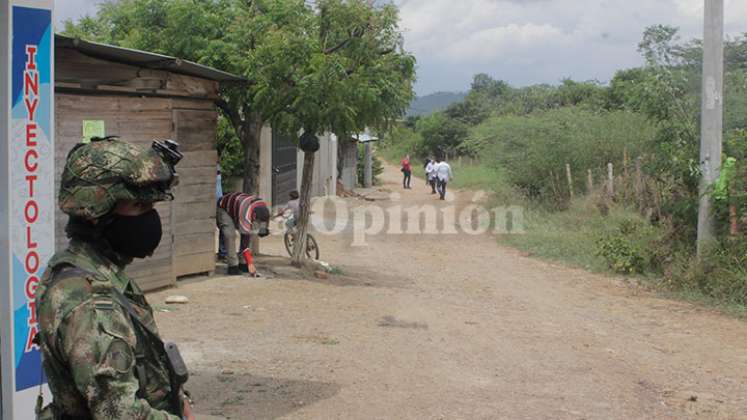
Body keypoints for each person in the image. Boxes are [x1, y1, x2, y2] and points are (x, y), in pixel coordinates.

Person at [36, 137, 194, 419]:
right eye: (139, 208)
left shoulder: (94, 272)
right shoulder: (89, 300)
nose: (150, 219)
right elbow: (121, 413)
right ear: (96, 212)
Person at [217, 191, 271, 274]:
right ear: (254, 216)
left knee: (251, 233)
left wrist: (263, 230)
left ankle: (243, 263)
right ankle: (233, 266)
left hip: (238, 205)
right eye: (258, 222)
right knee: (230, 235)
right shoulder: (246, 216)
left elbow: (264, 222)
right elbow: (244, 243)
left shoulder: (263, 207)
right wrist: (250, 263)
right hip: (224, 208)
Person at [216, 163, 227, 260]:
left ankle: (222, 252)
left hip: (219, 202)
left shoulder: (218, 167)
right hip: (212, 202)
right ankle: (222, 252)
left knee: (223, 228)